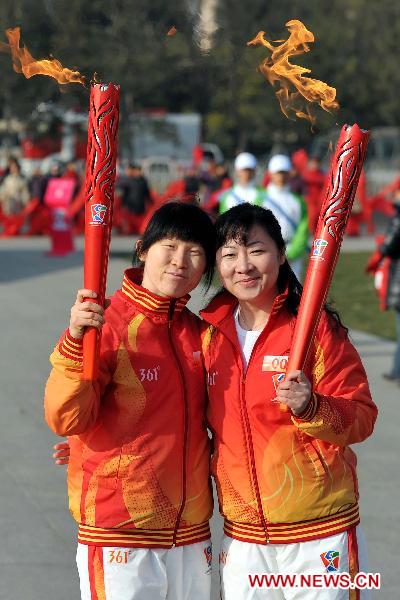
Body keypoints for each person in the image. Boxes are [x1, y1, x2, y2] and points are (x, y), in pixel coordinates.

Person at [200, 203, 377, 599]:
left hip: (319, 532)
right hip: (244, 537)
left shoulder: (314, 331)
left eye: (256, 250)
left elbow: (362, 416)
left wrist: (312, 407)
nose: (243, 265)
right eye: (229, 254)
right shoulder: (209, 336)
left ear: (281, 255)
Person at [44, 202, 216, 600]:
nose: (180, 262)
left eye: (194, 253)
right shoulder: (105, 322)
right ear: (142, 249)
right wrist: (74, 341)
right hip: (120, 530)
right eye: (169, 247)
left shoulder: (200, 333)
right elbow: (64, 416)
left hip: (190, 532)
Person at [366, 190, 400, 383]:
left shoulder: (398, 219)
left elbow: (389, 246)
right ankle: (396, 369)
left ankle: (398, 371)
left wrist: (381, 246)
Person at [264, 154, 309, 279]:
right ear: (270, 174)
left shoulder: (298, 201)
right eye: (278, 173)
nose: (281, 176)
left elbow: (303, 229)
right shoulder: (260, 199)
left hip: (293, 255)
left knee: (293, 293)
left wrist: (293, 252)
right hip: (267, 254)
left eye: (284, 172)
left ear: (289, 174)